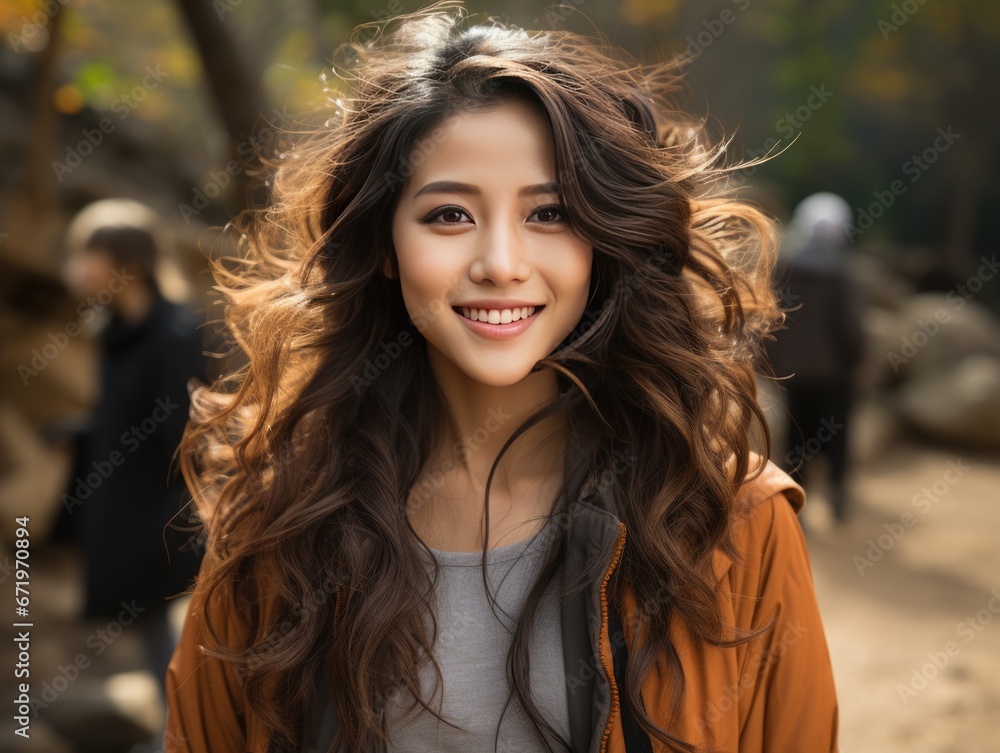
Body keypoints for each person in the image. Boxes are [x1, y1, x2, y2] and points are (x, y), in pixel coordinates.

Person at [165, 3, 839, 752]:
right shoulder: (278, 523)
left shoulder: (731, 522)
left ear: (602, 241)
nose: (501, 262)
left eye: (548, 212)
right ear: (385, 245)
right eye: (449, 215)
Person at [60, 199, 207, 710]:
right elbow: (126, 420)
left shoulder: (174, 339)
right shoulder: (114, 336)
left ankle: (185, 732)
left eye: (88, 254)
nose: (76, 268)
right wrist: (83, 432)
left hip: (166, 517)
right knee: (148, 629)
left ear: (128, 263)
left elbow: (188, 440)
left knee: (175, 629)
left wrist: (175, 521)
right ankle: (176, 730)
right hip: (126, 512)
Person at [766, 192, 865, 523]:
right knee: (837, 441)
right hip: (835, 375)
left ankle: (794, 508)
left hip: (793, 375)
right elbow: (849, 327)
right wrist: (856, 362)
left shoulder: (783, 266)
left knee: (796, 443)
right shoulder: (842, 272)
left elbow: (770, 319)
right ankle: (837, 496)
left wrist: (773, 362)